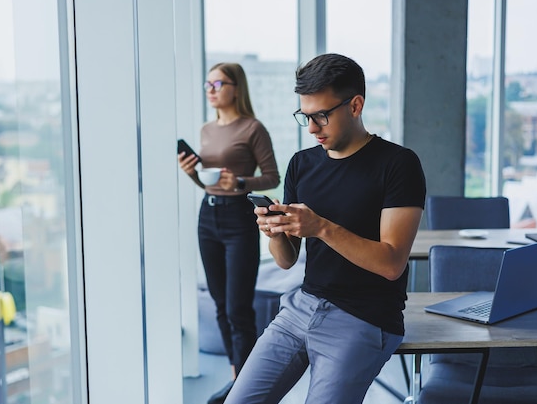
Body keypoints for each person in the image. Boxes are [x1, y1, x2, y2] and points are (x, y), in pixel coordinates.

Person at [224, 53, 427, 404]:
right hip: (303, 305)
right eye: (306, 117)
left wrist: (320, 227)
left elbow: (392, 263)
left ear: (355, 105)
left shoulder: (398, 164)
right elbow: (287, 260)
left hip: (364, 316)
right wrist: (273, 232)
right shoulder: (301, 164)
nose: (313, 128)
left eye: (321, 116)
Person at [177, 62, 280, 404]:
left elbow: (271, 177)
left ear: (236, 87)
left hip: (239, 218)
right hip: (208, 217)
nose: (210, 89)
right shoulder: (207, 130)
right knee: (220, 305)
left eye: (218, 83)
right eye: (207, 83)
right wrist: (192, 173)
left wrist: (239, 182)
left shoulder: (253, 128)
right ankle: (238, 379)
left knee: (238, 308)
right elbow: (208, 183)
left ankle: (250, 386)